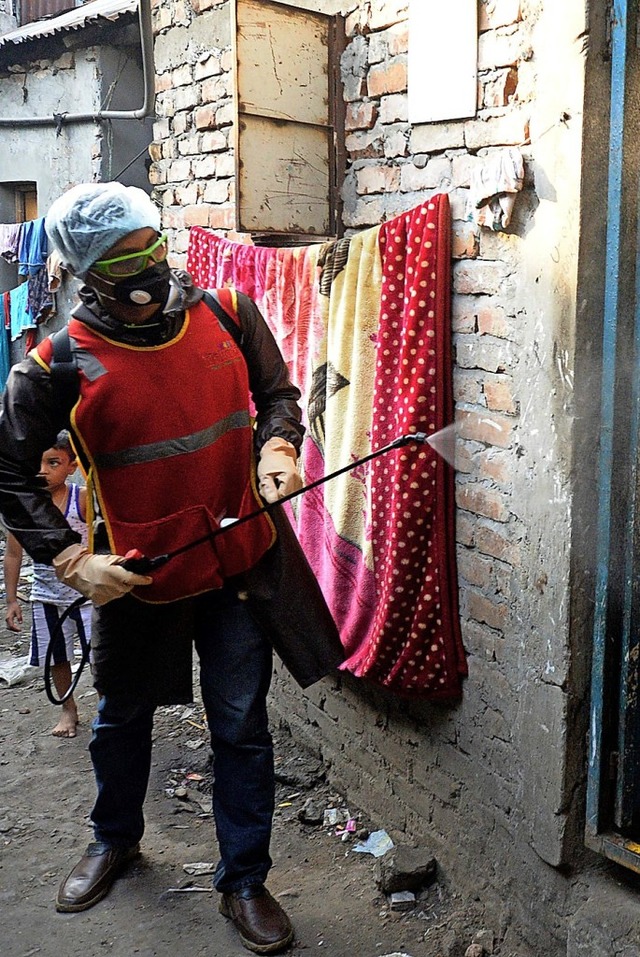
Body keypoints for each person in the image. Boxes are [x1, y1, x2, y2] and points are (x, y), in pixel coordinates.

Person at [0, 182, 343, 955]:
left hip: (236, 567)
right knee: (123, 718)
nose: (149, 271)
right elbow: (9, 471)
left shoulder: (227, 311)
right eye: (126, 261)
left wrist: (278, 446)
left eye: (152, 248)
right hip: (136, 575)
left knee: (241, 727)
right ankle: (114, 838)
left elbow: (278, 395)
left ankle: (245, 880)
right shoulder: (56, 363)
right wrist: (70, 556)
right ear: (91, 275)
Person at [3, 430, 92, 738]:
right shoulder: (25, 507)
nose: (42, 470)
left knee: (99, 655)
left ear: (72, 466)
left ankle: (109, 709)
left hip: (87, 597)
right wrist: (12, 599)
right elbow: (13, 554)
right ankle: (68, 709)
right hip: (46, 597)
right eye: (36, 463)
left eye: (53, 462)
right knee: (56, 658)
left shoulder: (81, 500)